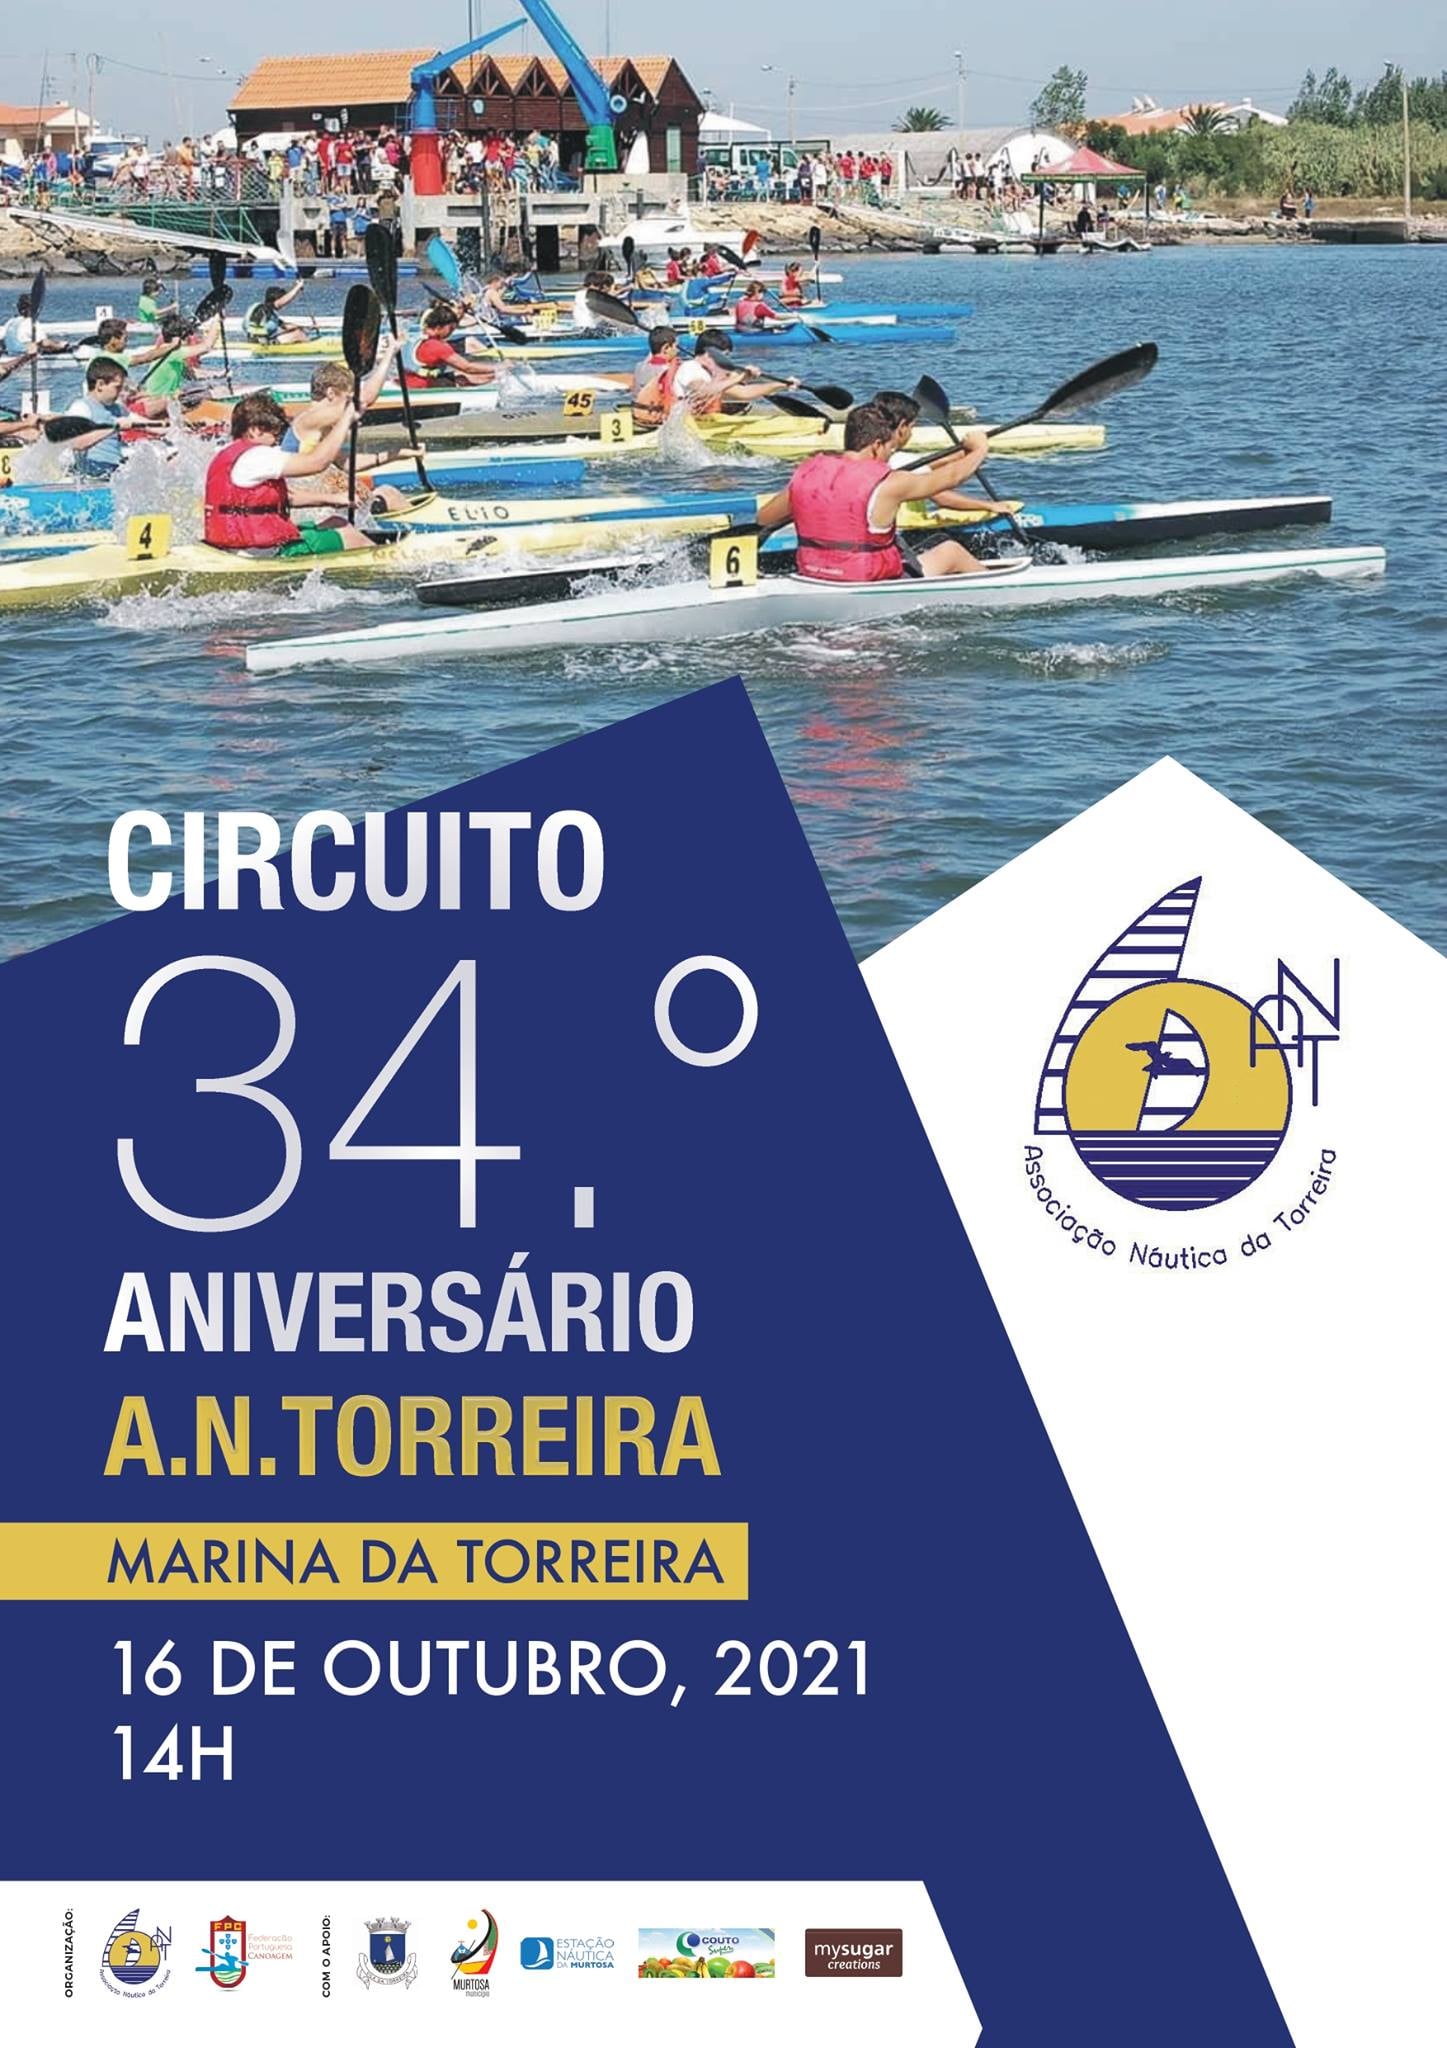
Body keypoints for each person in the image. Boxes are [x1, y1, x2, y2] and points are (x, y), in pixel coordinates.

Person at [756, 400, 994, 581]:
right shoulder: (890, 483)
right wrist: (979, 449)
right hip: (867, 578)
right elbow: (952, 477)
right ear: (877, 445)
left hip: (813, 573)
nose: (890, 454)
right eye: (890, 448)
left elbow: (764, 517)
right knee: (950, 552)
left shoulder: (808, 473)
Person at [204, 392, 376, 555]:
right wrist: (346, 419)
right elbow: (318, 462)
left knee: (336, 522)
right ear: (255, 430)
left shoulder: (227, 454)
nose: (277, 439)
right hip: (260, 552)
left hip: (233, 544)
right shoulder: (257, 456)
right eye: (274, 432)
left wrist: (332, 499)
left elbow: (286, 498)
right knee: (351, 537)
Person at [280, 350, 411, 514]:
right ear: (331, 393)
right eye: (348, 399)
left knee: (387, 492)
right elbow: (366, 399)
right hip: (308, 508)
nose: (351, 404)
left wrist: (394, 454)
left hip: (318, 501)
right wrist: (389, 354)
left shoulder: (320, 426)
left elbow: (346, 464)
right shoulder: (312, 418)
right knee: (390, 495)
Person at [673, 329, 802, 414]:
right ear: (708, 354)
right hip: (684, 428)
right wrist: (740, 377)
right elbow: (705, 390)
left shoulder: (709, 373)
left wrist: (782, 385)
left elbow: (744, 393)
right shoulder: (690, 368)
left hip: (702, 422)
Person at [63, 359, 139, 478]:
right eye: (117, 388)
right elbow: (76, 443)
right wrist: (113, 428)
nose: (121, 393)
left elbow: (144, 423)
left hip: (113, 470)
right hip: (91, 474)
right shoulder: (81, 408)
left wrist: (166, 427)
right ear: (100, 385)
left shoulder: (118, 408)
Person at [401, 304, 497, 387]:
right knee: (466, 379)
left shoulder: (418, 336)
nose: (451, 332)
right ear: (438, 327)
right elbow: (468, 367)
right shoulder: (437, 346)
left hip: (406, 381)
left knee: (461, 376)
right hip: (421, 386)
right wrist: (498, 369)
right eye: (450, 329)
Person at [630, 326, 682, 429]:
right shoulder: (668, 370)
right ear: (666, 348)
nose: (678, 351)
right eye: (676, 346)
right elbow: (669, 398)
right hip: (655, 419)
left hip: (637, 416)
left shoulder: (640, 366)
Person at [245, 282, 310, 345]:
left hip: (252, 339)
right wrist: (298, 287)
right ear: (276, 300)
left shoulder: (262, 310)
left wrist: (306, 328)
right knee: (298, 334)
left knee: (297, 330)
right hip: (261, 342)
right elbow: (284, 300)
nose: (283, 307)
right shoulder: (268, 308)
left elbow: (285, 326)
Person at [3, 292, 65, 358]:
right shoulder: (31, 323)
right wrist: (61, 346)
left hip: (11, 356)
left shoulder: (10, 322)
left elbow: (4, 342)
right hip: (26, 358)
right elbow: (44, 343)